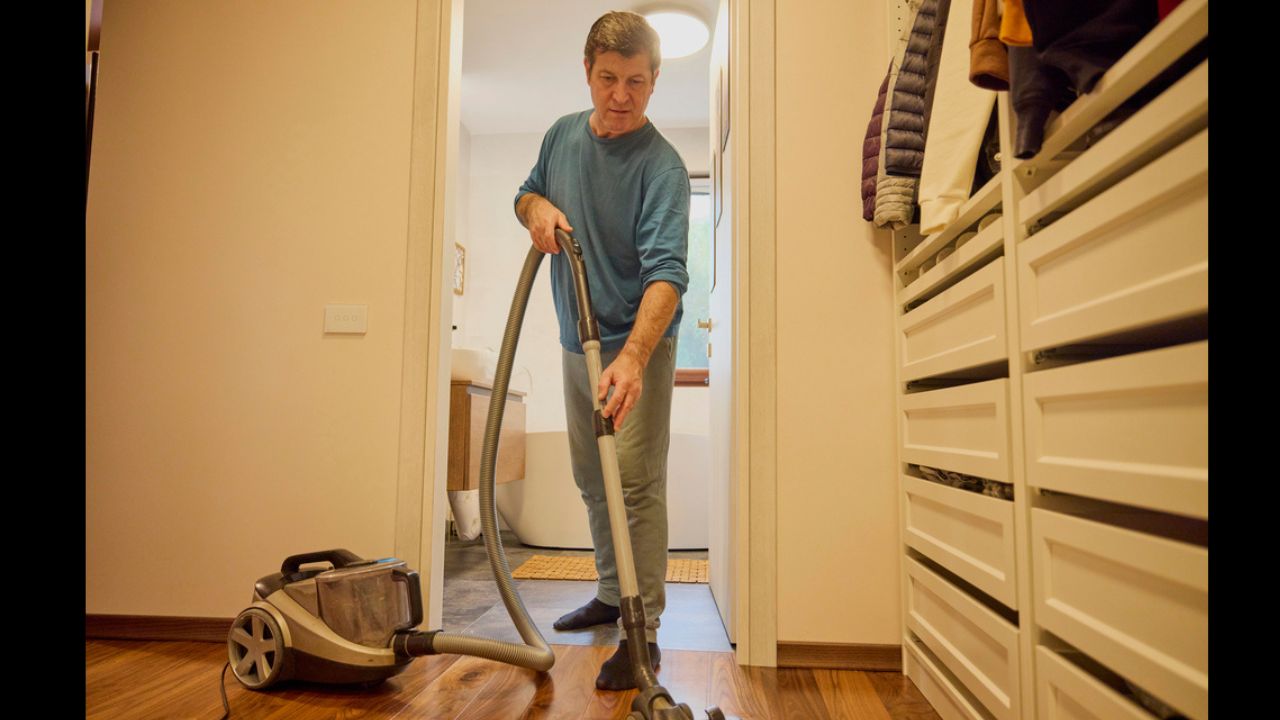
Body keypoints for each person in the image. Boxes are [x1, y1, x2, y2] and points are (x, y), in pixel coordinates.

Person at [513, 10, 690, 692]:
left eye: (637, 82)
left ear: (654, 82)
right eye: (610, 78)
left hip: (636, 344)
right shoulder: (562, 136)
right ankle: (613, 596)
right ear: (588, 72)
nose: (622, 95)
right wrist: (535, 211)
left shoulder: (664, 168)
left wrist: (635, 358)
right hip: (573, 338)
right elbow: (526, 191)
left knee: (636, 487)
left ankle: (643, 637)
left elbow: (668, 273)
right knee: (593, 478)